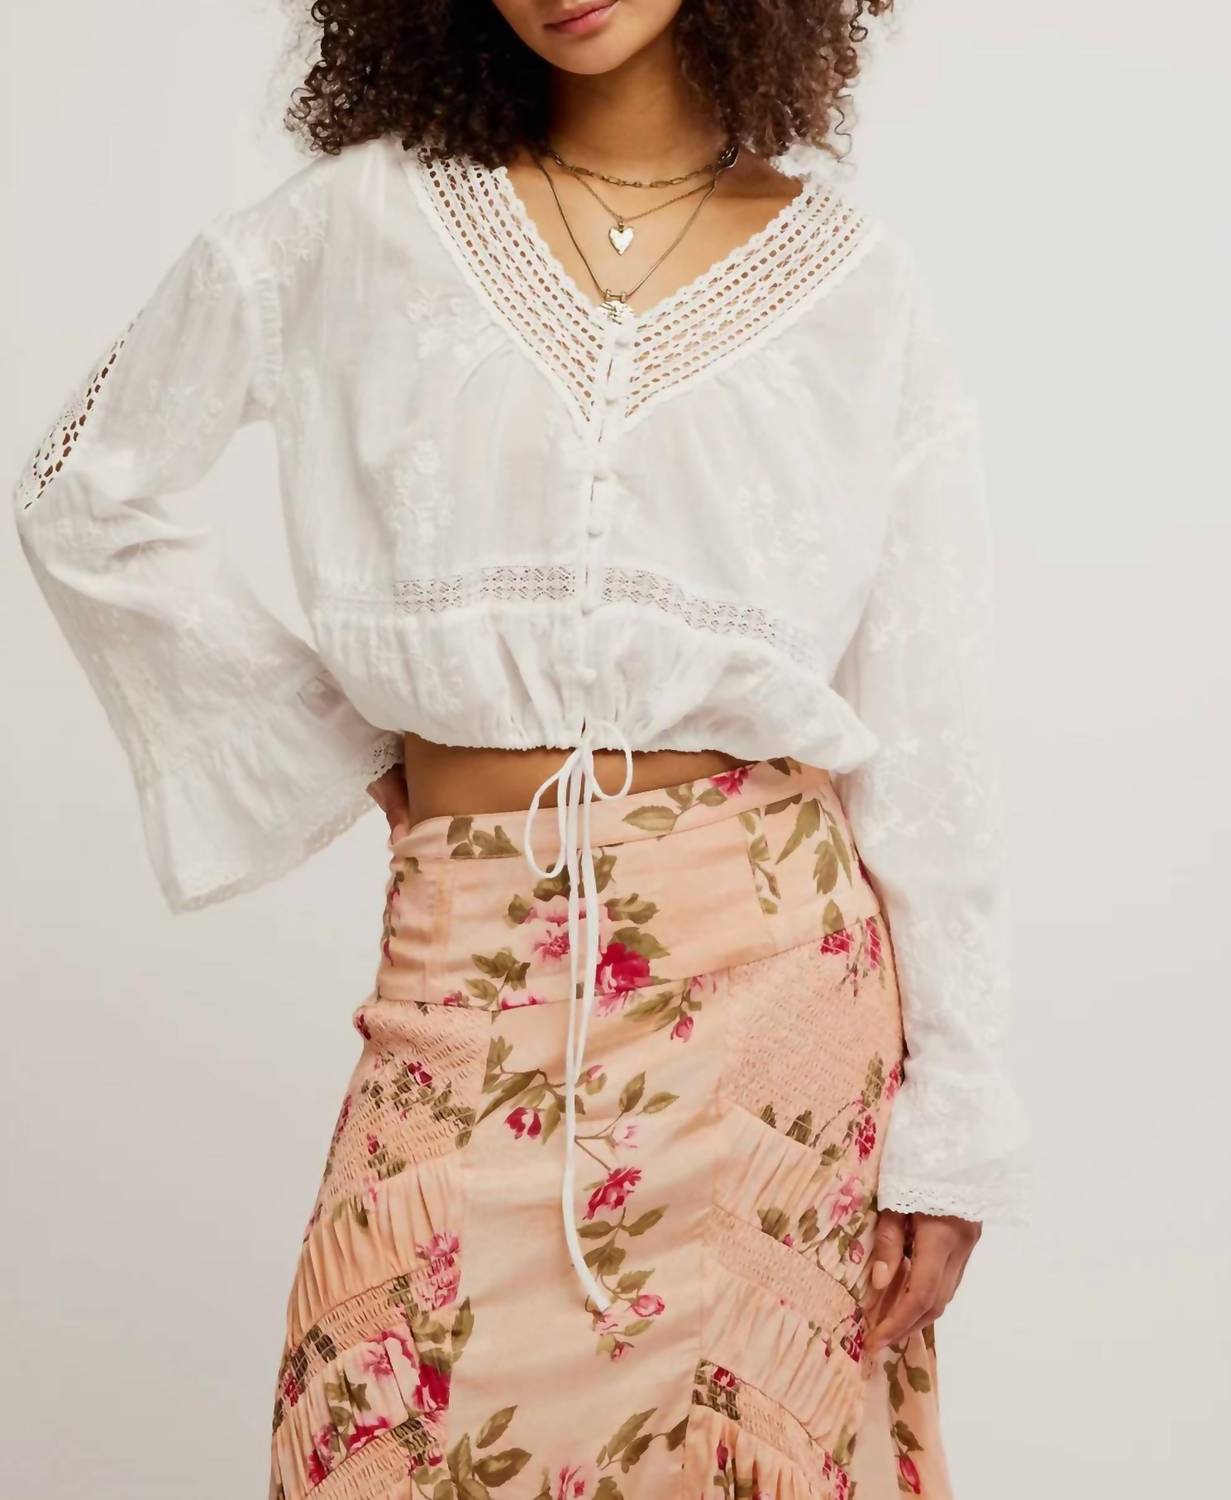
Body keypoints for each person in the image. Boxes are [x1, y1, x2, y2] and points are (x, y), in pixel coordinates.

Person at [11, 3, 1031, 1496]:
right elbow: (82, 491)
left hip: (775, 1007)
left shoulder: (858, 286)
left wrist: (957, 1118)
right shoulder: (355, 224)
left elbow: (933, 741)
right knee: (371, 1430)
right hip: (467, 962)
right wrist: (341, 742)